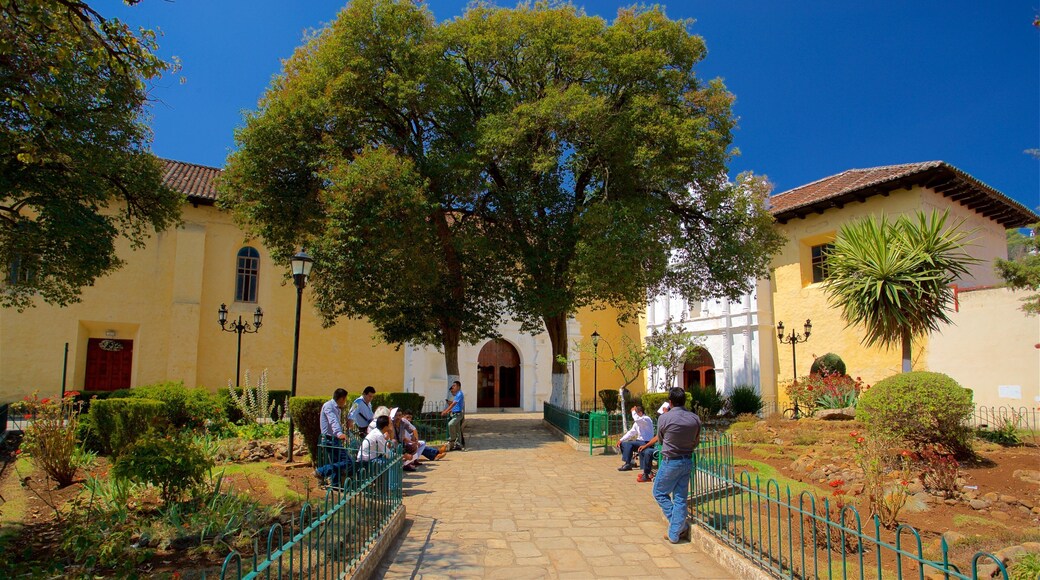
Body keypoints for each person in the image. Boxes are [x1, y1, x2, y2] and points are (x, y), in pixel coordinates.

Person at [641, 387, 701, 544]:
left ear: (670, 402)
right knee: (680, 497)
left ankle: (677, 526)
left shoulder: (664, 418)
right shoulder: (694, 419)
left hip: (671, 461)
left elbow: (661, 439)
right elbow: (696, 441)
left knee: (659, 492)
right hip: (687, 459)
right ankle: (675, 532)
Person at [315, 388, 353, 487]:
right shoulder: (329, 406)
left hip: (334, 439)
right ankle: (321, 471)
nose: (345, 402)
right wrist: (339, 433)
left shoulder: (336, 408)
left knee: (337, 463)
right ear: (341, 399)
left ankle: (335, 485)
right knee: (348, 461)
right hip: (329, 439)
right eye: (345, 399)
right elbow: (333, 421)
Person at [616, 405, 654, 472]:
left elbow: (636, 419)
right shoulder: (637, 423)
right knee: (623, 444)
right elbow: (631, 432)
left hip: (646, 442)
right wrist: (621, 440)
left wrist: (633, 411)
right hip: (639, 442)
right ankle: (631, 462)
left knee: (628, 444)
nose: (634, 415)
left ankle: (628, 464)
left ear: (640, 412)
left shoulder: (646, 419)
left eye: (636, 413)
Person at [440, 380, 465, 451]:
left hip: (458, 414)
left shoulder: (459, 394)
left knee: (450, 424)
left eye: (454, 386)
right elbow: (455, 405)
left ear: (458, 387)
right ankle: (459, 444)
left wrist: (446, 411)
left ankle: (452, 439)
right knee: (458, 430)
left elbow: (453, 404)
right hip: (455, 414)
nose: (453, 387)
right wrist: (451, 410)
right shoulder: (457, 395)